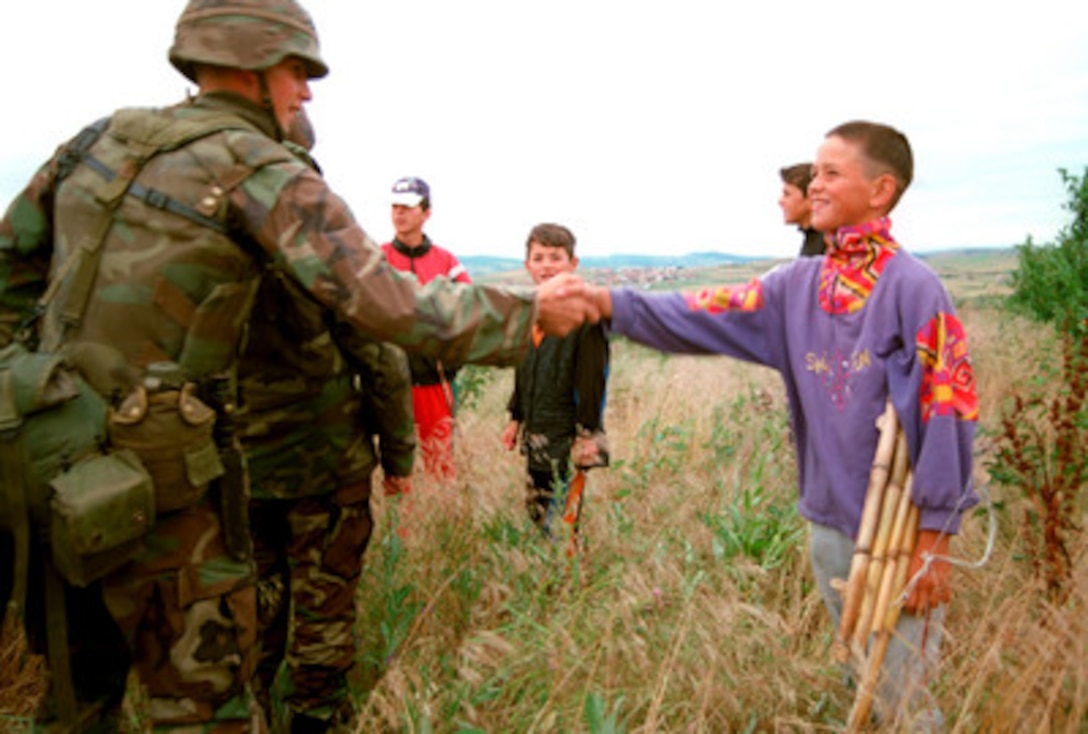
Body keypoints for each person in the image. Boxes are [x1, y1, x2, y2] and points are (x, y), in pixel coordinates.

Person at [0, 1, 597, 731]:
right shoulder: (259, 167)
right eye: (296, 71)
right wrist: (529, 312)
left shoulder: (100, 140)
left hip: (46, 454)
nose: (305, 91)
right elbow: (385, 308)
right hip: (159, 474)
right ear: (254, 67)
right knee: (200, 698)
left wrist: (40, 390)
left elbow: (11, 275)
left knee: (75, 692)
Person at [591, 121, 977, 729]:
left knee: (905, 699)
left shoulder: (914, 289)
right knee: (860, 677)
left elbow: (947, 408)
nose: (813, 184)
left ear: (880, 190)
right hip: (828, 523)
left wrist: (935, 537)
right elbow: (701, 313)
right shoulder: (796, 285)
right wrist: (610, 305)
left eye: (830, 173)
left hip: (899, 535)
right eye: (814, 172)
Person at [240, 110, 416, 733]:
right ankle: (314, 719)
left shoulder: (203, 229)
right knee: (323, 610)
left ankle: (249, 715)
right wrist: (399, 457)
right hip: (325, 467)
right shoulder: (323, 233)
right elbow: (383, 355)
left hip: (233, 471)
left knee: (249, 612)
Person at [501, 224, 609, 544]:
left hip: (568, 435)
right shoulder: (530, 312)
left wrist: (587, 434)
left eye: (555, 257)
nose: (546, 265)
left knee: (562, 523)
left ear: (573, 264)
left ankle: (567, 587)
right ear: (527, 265)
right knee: (536, 511)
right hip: (536, 430)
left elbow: (593, 383)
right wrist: (515, 417)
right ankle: (541, 579)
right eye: (538, 258)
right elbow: (523, 371)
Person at [380, 177, 470, 482]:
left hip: (434, 379)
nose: (399, 214)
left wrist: (450, 359)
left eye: (407, 207)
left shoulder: (446, 261)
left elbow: (469, 311)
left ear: (426, 213)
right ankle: (399, 528)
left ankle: (439, 522)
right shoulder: (377, 258)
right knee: (394, 465)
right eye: (394, 206)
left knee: (440, 463)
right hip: (390, 381)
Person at [779, 162, 826, 257]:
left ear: (811, 199)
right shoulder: (813, 240)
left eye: (787, 194)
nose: (780, 201)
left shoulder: (830, 244)